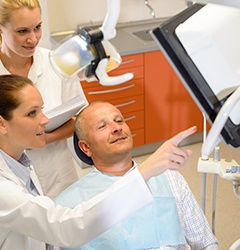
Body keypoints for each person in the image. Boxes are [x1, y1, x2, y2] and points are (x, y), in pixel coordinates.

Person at [0, 74, 200, 249]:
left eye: (120, 120)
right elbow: (66, 227)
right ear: (2, 124)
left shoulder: (21, 164)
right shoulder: (4, 188)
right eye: (32, 113)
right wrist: (145, 171)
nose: (45, 119)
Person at [55, 101, 219, 250]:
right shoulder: (70, 204)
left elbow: (206, 243)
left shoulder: (170, 178)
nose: (117, 128)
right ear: (85, 147)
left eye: (119, 121)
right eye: (102, 126)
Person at [0, 0, 88, 198]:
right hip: (8, 182)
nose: (33, 38)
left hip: (58, 174)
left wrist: (45, 138)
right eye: (22, 31)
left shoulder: (57, 64)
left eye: (37, 28)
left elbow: (80, 120)